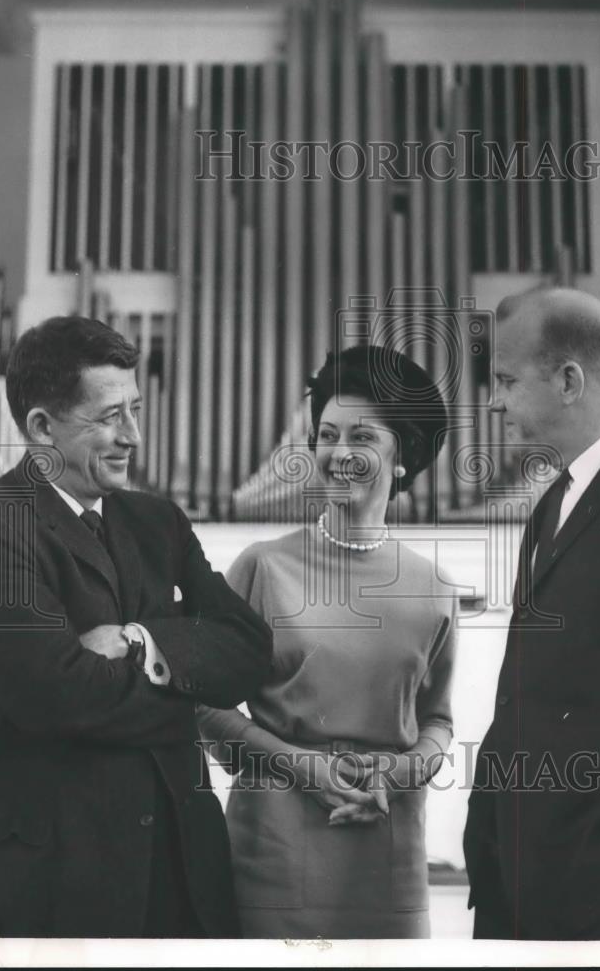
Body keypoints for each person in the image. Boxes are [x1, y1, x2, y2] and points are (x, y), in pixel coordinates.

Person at [0, 315, 273, 938]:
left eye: (137, 410)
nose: (135, 435)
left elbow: (250, 652)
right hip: (64, 870)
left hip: (183, 860)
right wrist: (184, 683)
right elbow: (57, 698)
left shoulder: (158, 522)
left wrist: (137, 642)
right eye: (109, 417)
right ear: (41, 426)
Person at [198, 345, 458, 939]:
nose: (339, 453)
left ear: (403, 458)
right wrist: (299, 766)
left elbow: (438, 721)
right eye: (327, 434)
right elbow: (204, 706)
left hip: (387, 849)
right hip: (275, 848)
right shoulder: (262, 567)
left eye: (362, 437)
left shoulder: (435, 587)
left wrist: (394, 776)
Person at [463, 287, 600, 940]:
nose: (494, 401)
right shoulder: (549, 507)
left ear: (568, 381)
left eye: (505, 380)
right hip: (522, 882)